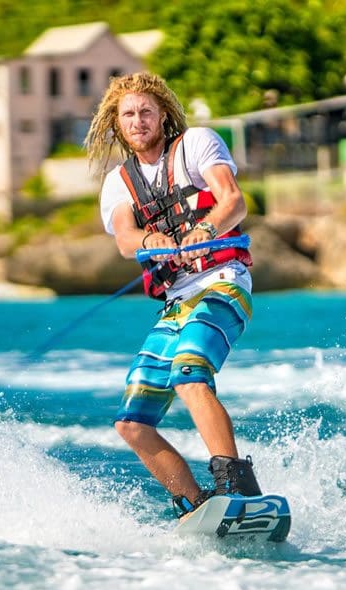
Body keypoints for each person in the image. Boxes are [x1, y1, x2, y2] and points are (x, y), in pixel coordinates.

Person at [84, 72, 263, 518]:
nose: (138, 120)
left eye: (146, 111)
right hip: (176, 302)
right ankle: (195, 508)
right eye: (128, 114)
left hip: (222, 281)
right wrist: (150, 241)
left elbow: (233, 200)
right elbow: (126, 239)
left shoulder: (197, 144)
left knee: (189, 375)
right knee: (131, 424)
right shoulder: (118, 184)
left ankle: (238, 489)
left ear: (163, 114)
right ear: (116, 125)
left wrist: (203, 228)